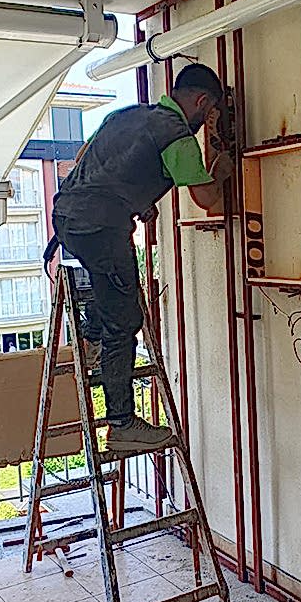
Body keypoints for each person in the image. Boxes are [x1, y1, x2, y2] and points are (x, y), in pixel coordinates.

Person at [49, 63, 233, 453]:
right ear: (202, 101)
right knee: (125, 319)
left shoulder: (126, 115)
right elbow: (206, 198)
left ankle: (90, 339)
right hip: (102, 228)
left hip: (67, 219)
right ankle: (122, 425)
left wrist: (135, 197)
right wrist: (220, 171)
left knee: (108, 284)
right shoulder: (177, 135)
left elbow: (86, 157)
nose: (208, 121)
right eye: (210, 112)